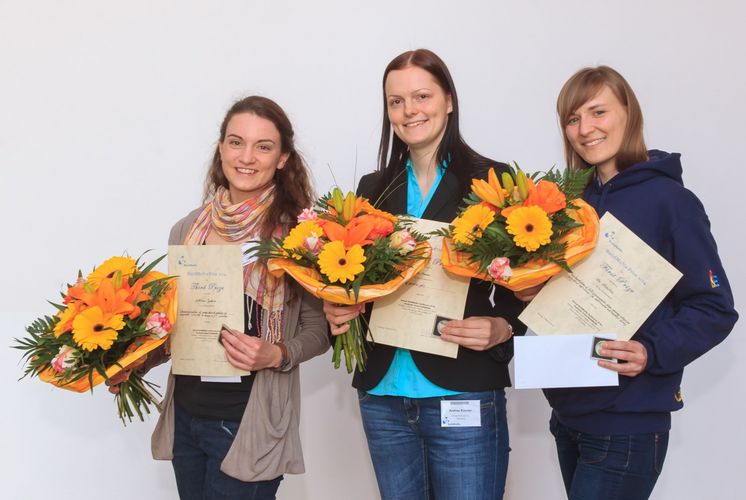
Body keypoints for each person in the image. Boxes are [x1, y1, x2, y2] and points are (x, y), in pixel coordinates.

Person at [519, 65, 737, 499]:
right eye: (573, 118)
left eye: (598, 112)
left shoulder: (671, 201)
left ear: (628, 113)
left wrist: (650, 350)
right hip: (568, 415)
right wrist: (532, 291)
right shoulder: (568, 203)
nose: (585, 129)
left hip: (628, 421)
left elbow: (714, 309)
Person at [323, 49, 525, 500]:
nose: (409, 110)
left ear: (449, 100)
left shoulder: (491, 179)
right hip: (383, 396)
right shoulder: (372, 190)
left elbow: (528, 277)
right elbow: (351, 283)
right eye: (396, 101)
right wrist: (338, 311)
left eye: (421, 96)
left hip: (463, 388)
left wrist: (504, 326)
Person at [113, 96, 330, 500]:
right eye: (236, 142)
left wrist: (277, 354)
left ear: (282, 158)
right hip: (187, 418)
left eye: (263, 146)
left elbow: (319, 329)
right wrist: (135, 362)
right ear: (221, 147)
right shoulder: (186, 229)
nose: (246, 157)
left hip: (251, 421)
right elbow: (176, 324)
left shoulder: (299, 235)